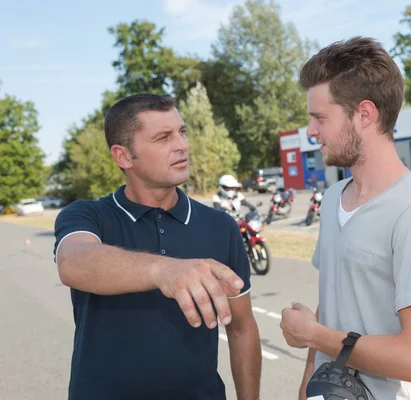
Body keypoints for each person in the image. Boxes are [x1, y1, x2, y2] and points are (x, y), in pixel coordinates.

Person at [279, 37, 411, 400]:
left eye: (320, 118)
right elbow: (330, 304)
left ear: (364, 114)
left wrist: (314, 335)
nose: (311, 131)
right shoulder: (331, 200)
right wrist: (308, 381)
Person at [53, 94, 261, 400]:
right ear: (123, 156)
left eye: (182, 132)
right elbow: (73, 261)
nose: (182, 145)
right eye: (163, 137)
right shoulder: (88, 216)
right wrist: (164, 271)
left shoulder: (220, 226)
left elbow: (241, 328)